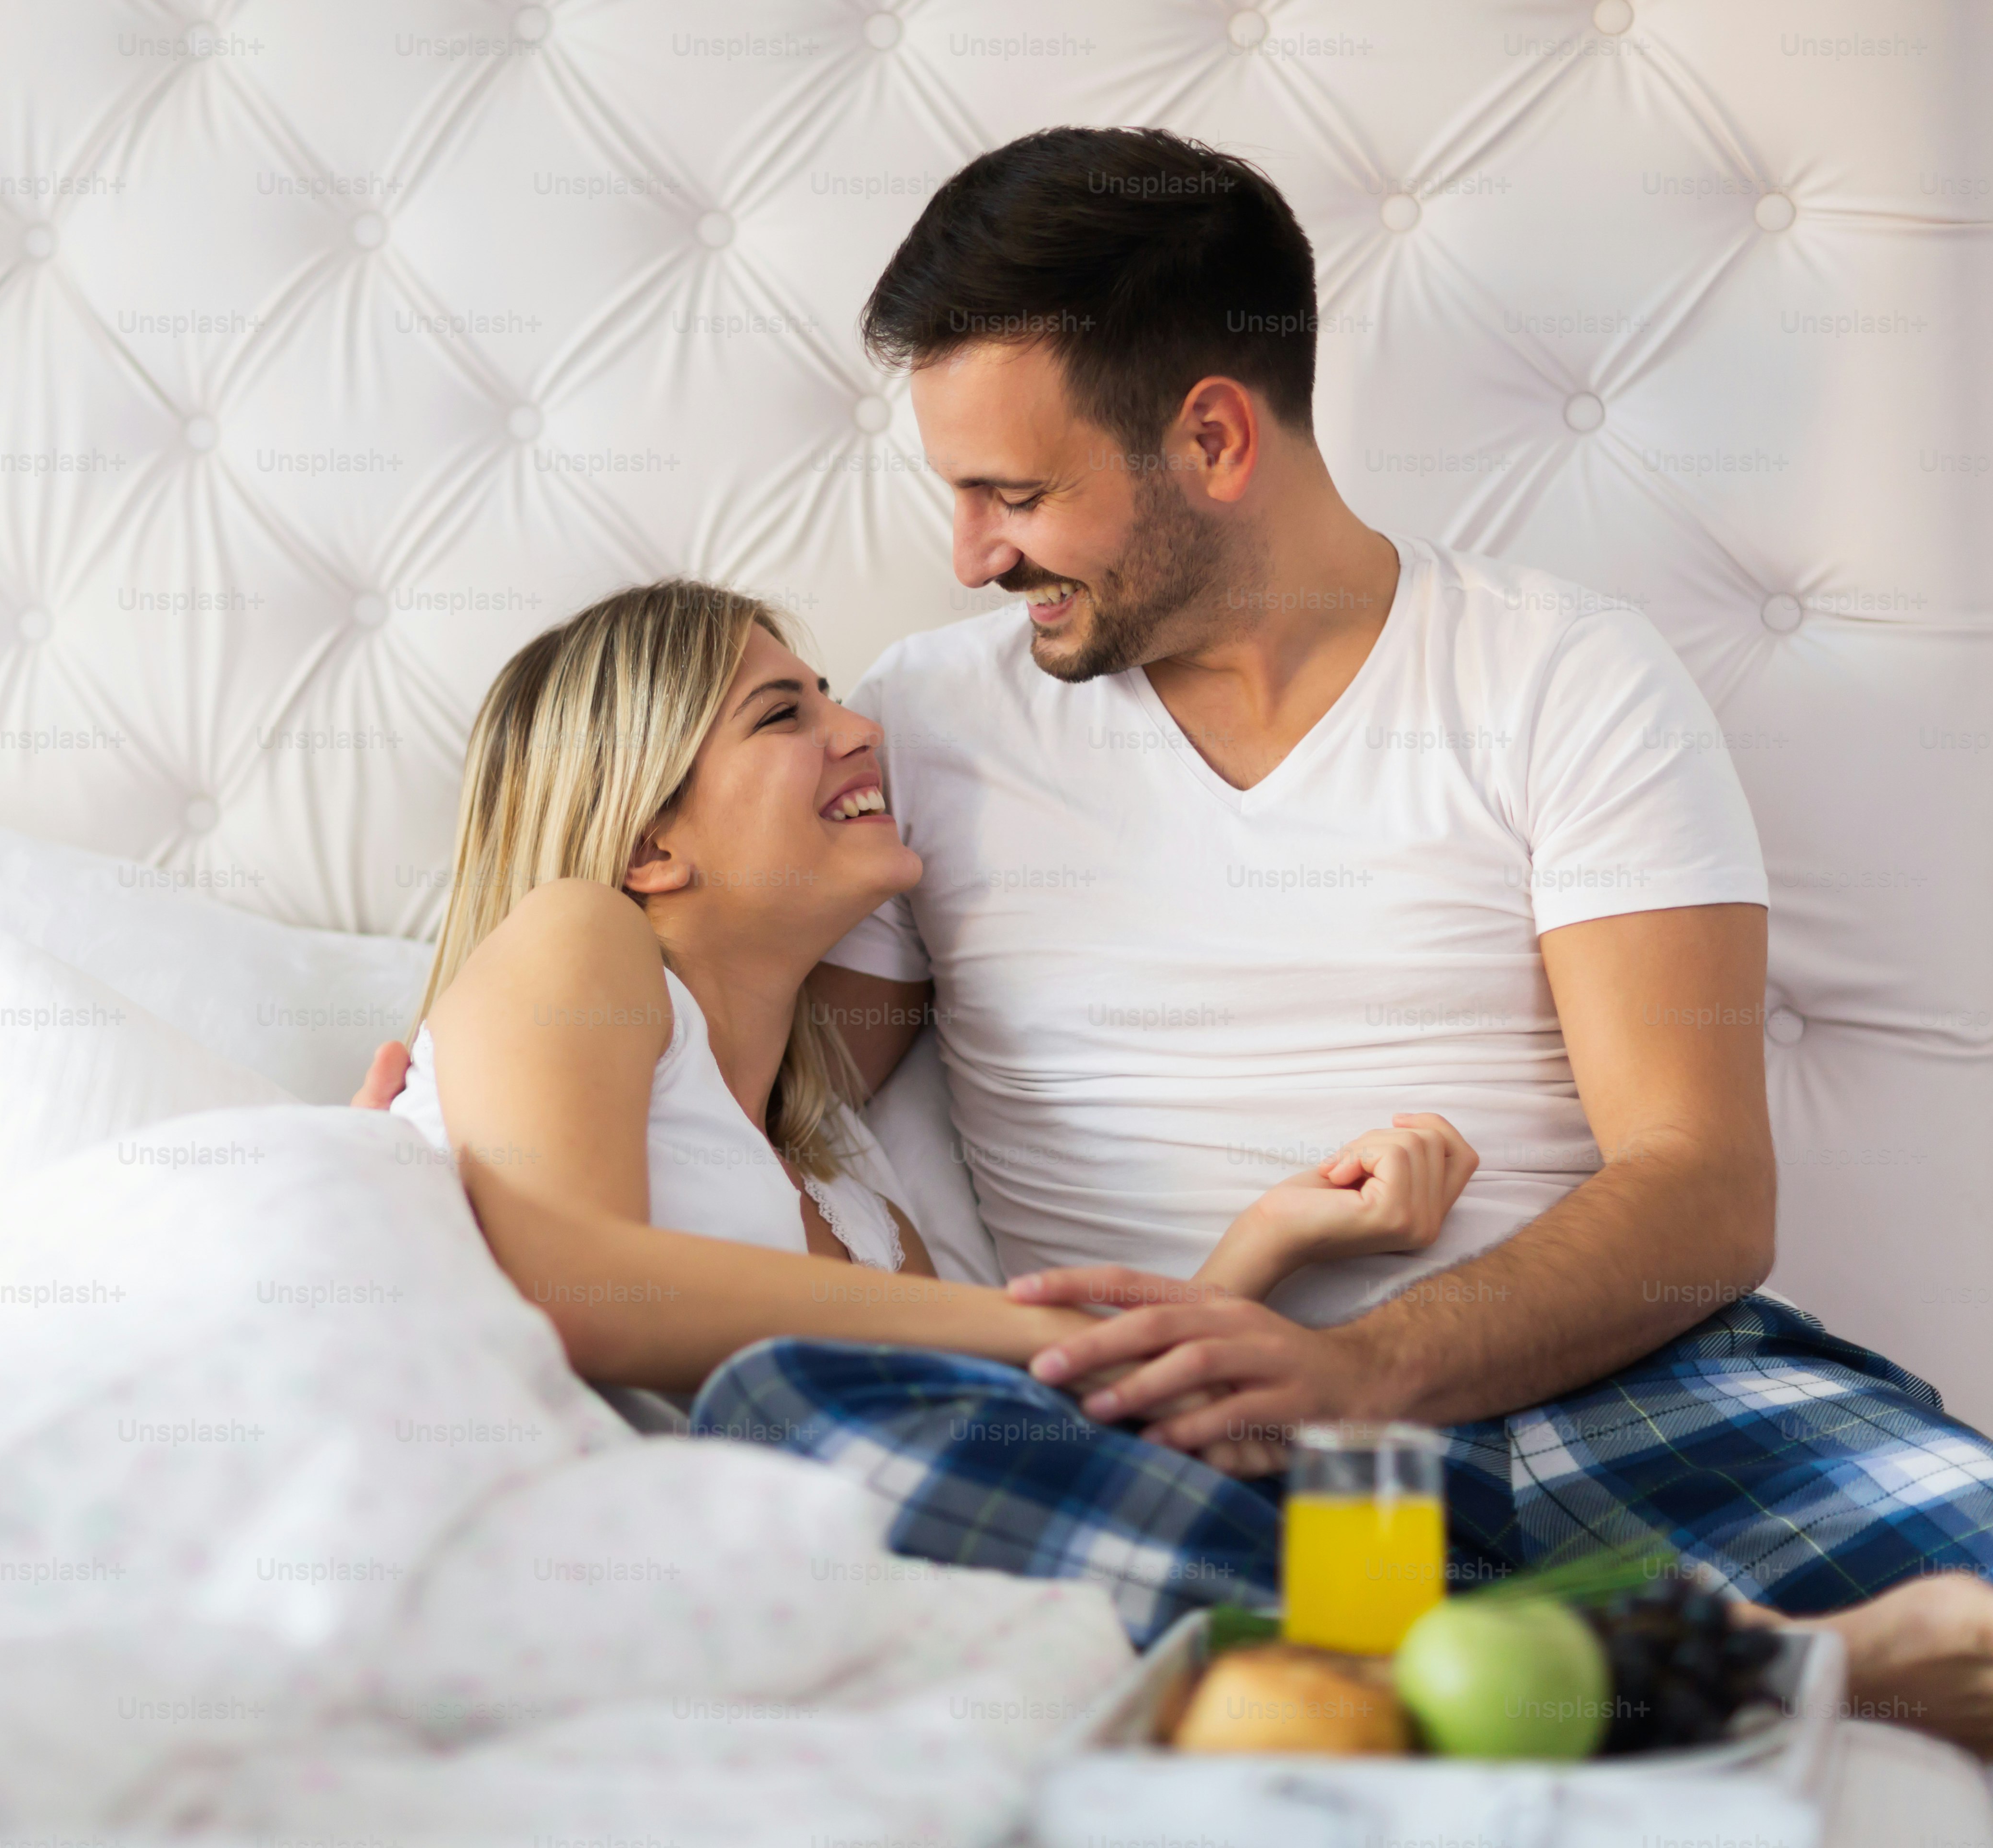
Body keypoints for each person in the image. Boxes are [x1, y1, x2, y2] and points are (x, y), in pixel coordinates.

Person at [363, 126, 1993, 1753]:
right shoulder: (925, 727)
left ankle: (1497, 1666)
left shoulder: (1562, 677)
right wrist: (456, 1130)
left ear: (1213, 438)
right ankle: (1677, 1668)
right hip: (1178, 1452)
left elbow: (1702, 1191)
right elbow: (754, 1087)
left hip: (1627, 1391)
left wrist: (1357, 1375)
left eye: (1016, 493)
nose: (973, 555)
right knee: (806, 1417)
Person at [381, 578, 1478, 1456]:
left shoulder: (841, 1166)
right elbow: (586, 1292)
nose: (859, 728)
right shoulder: (578, 929)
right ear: (647, 849)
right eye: (784, 713)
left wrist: (1266, 1242)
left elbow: (1032, 1427)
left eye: (830, 694)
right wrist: (1027, 1325)